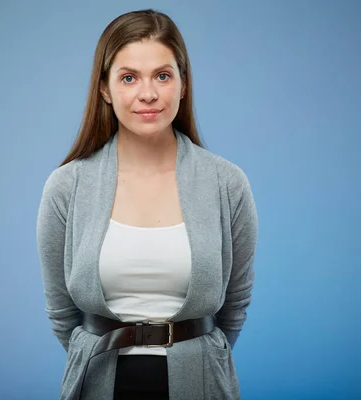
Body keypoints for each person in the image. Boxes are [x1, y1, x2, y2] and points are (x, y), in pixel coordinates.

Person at [36, 8, 258, 400]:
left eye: (162, 75)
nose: (148, 93)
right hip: (98, 382)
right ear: (104, 89)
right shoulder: (67, 186)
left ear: (183, 84)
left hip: (200, 381)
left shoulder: (227, 184)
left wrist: (203, 360)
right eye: (128, 78)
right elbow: (61, 312)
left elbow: (235, 306)